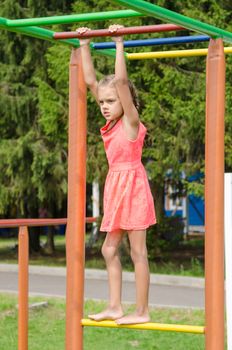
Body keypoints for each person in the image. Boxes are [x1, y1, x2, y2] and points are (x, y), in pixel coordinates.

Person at [77, 24, 156, 325]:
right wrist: (84, 43)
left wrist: (119, 42)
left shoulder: (131, 123)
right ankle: (115, 306)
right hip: (116, 188)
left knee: (138, 252)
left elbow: (120, 81)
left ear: (125, 102)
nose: (105, 107)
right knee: (109, 248)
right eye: (102, 102)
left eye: (111, 102)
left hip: (133, 188)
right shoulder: (110, 125)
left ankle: (142, 310)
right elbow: (89, 80)